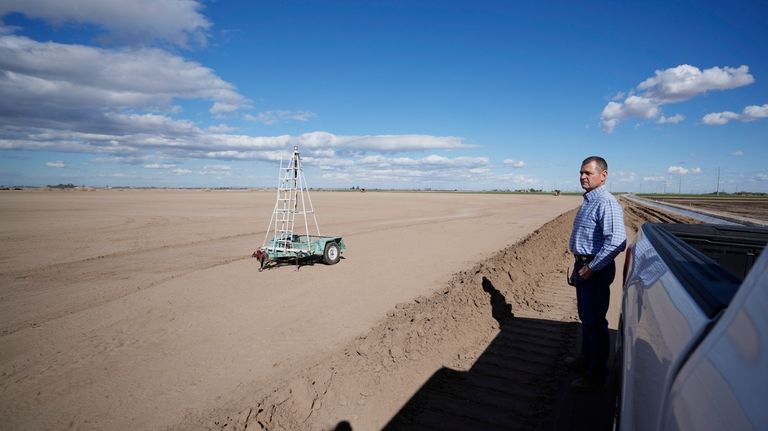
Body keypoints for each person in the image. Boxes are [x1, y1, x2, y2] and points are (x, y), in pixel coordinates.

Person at [568, 156, 626, 390]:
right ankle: (586, 359)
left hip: (595, 268)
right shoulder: (590, 200)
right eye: (581, 172)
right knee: (587, 318)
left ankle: (596, 375)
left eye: (588, 173)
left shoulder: (606, 202)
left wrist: (591, 269)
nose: (583, 176)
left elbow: (617, 242)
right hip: (585, 265)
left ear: (603, 175)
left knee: (595, 322)